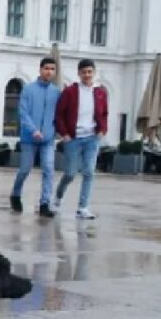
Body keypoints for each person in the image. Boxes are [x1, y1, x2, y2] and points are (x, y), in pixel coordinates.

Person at [54, 59, 108, 219]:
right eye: (84, 72)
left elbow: (105, 113)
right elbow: (59, 114)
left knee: (89, 172)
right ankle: (57, 198)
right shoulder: (70, 91)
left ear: (94, 73)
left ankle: (83, 207)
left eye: (90, 72)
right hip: (73, 138)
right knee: (70, 173)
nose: (87, 75)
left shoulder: (100, 93)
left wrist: (103, 129)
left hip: (92, 138)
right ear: (79, 73)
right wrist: (64, 134)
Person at [10, 57, 61, 217]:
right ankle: (15, 194)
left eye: (52, 69)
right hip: (29, 138)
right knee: (25, 169)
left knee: (48, 169)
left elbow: (59, 115)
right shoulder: (28, 89)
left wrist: (55, 131)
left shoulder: (56, 92)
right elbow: (23, 113)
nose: (49, 71)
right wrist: (33, 130)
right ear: (40, 70)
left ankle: (44, 203)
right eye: (46, 68)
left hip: (48, 139)